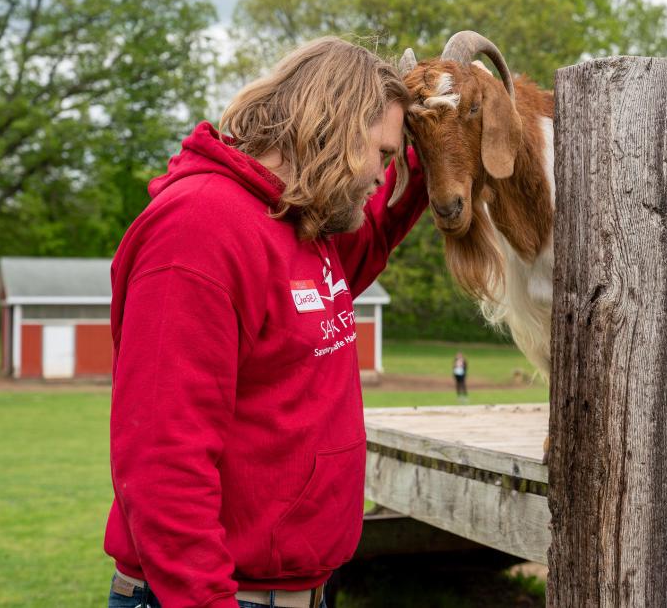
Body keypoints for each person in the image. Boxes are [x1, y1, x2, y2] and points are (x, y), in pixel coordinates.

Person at [103, 37, 427, 608]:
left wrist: (438, 152)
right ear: (334, 128)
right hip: (217, 597)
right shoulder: (199, 229)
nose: (385, 174)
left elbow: (372, 232)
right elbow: (163, 458)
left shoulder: (300, 222)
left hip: (297, 590)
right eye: (383, 153)